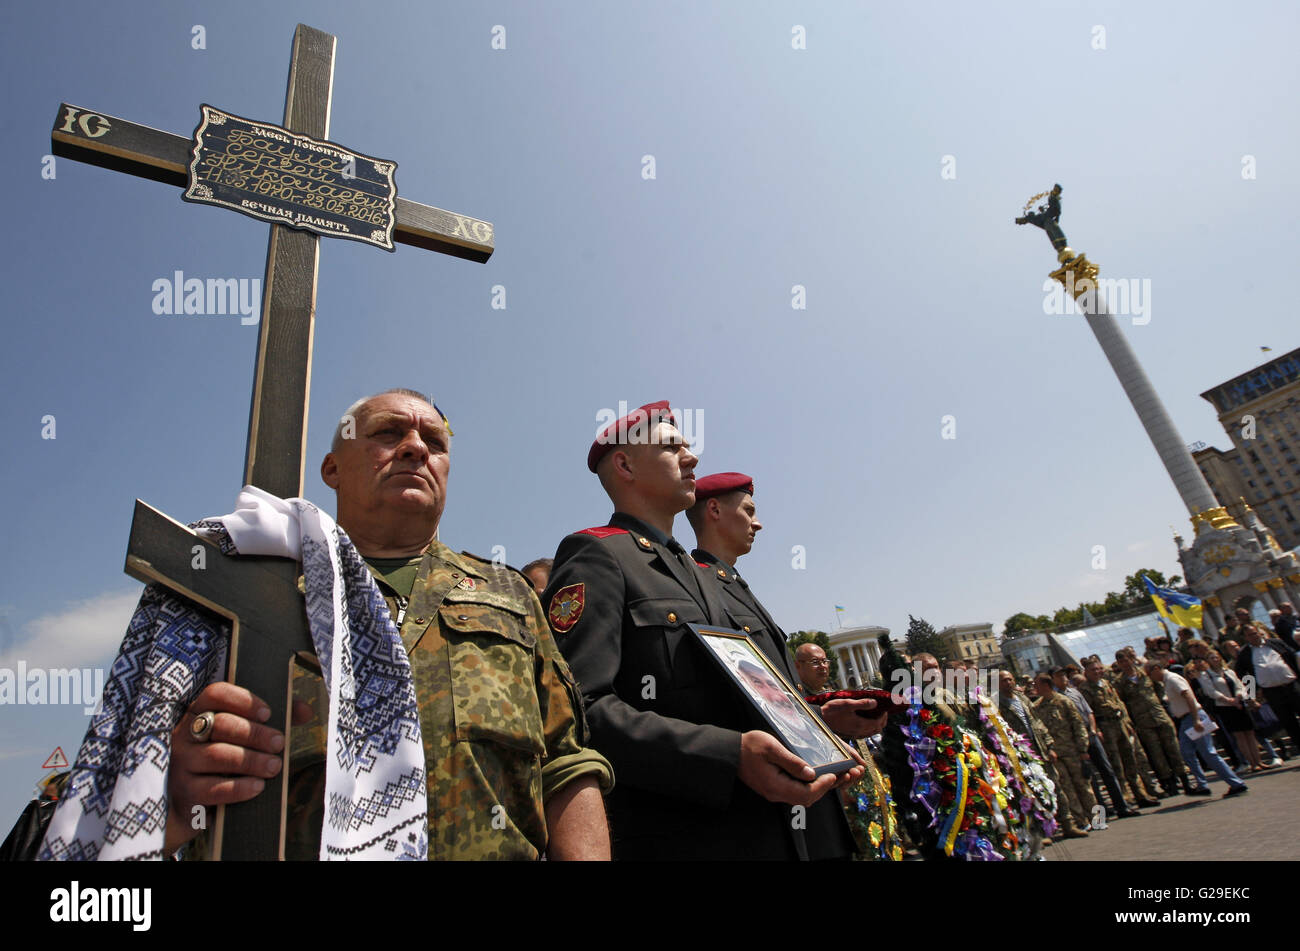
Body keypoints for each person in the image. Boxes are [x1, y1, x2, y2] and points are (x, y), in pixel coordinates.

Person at [166, 389, 613, 860]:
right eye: (388, 433)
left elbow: (565, 762)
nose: (416, 448)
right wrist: (171, 801)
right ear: (332, 469)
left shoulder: (510, 593)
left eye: (435, 443)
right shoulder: (250, 591)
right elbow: (136, 772)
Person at [543, 402, 865, 860]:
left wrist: (818, 735)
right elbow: (578, 711)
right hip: (689, 838)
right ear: (625, 464)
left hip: (776, 834)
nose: (691, 458)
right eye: (673, 447)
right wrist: (726, 754)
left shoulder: (699, 571)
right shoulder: (597, 555)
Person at [1146, 662, 1247, 797]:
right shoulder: (1167, 681)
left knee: (1208, 753)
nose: (1149, 677)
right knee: (1186, 752)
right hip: (1186, 720)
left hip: (1192, 717)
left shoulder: (1172, 679)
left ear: (1156, 668)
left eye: (1149, 673)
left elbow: (1188, 696)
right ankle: (1202, 784)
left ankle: (1236, 783)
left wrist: (1196, 720)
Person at [1051, 666, 1138, 818]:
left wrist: (1092, 729)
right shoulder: (1053, 698)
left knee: (1107, 770)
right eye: (1059, 675)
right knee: (1089, 777)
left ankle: (1121, 806)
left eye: (1064, 674)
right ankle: (1102, 810)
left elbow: (1089, 712)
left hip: (1090, 735)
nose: (1063, 677)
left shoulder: (1075, 692)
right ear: (1052, 679)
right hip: (1074, 741)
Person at [1079, 659, 1161, 808]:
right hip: (1105, 726)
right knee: (1116, 763)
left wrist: (1128, 723)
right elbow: (1088, 712)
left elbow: (1119, 703)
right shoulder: (1085, 689)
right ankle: (1125, 796)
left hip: (1119, 723)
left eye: (1099, 668)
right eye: (1093, 670)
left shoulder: (1106, 683)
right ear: (1086, 672)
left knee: (1130, 759)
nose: (1097, 672)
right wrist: (1096, 730)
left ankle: (1141, 794)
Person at [1114, 650, 1191, 797]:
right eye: (1121, 662)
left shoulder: (1146, 674)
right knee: (1157, 754)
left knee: (1173, 749)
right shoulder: (1119, 682)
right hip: (1143, 722)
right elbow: (1122, 703)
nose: (1125, 664)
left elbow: (1159, 689)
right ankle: (1169, 783)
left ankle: (1185, 779)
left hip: (1159, 716)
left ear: (1132, 659)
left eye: (1126, 660)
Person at [1032, 673, 1099, 833]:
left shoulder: (1063, 701)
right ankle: (1081, 821)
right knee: (1067, 789)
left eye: (1037, 685)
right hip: (1056, 755)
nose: (1035, 688)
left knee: (1084, 786)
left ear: (1046, 685)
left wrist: (1083, 749)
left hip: (1073, 751)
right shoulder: (1036, 707)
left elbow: (1078, 725)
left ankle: (1097, 819)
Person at [1233, 621, 1300, 755]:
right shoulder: (1244, 654)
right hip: (1272, 692)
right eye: (1250, 635)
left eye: (1255, 633)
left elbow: (1293, 658)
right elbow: (1245, 677)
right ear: (1245, 638)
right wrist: (1251, 696)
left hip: (1292, 686)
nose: (1254, 636)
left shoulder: (1276, 643)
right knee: (1289, 723)